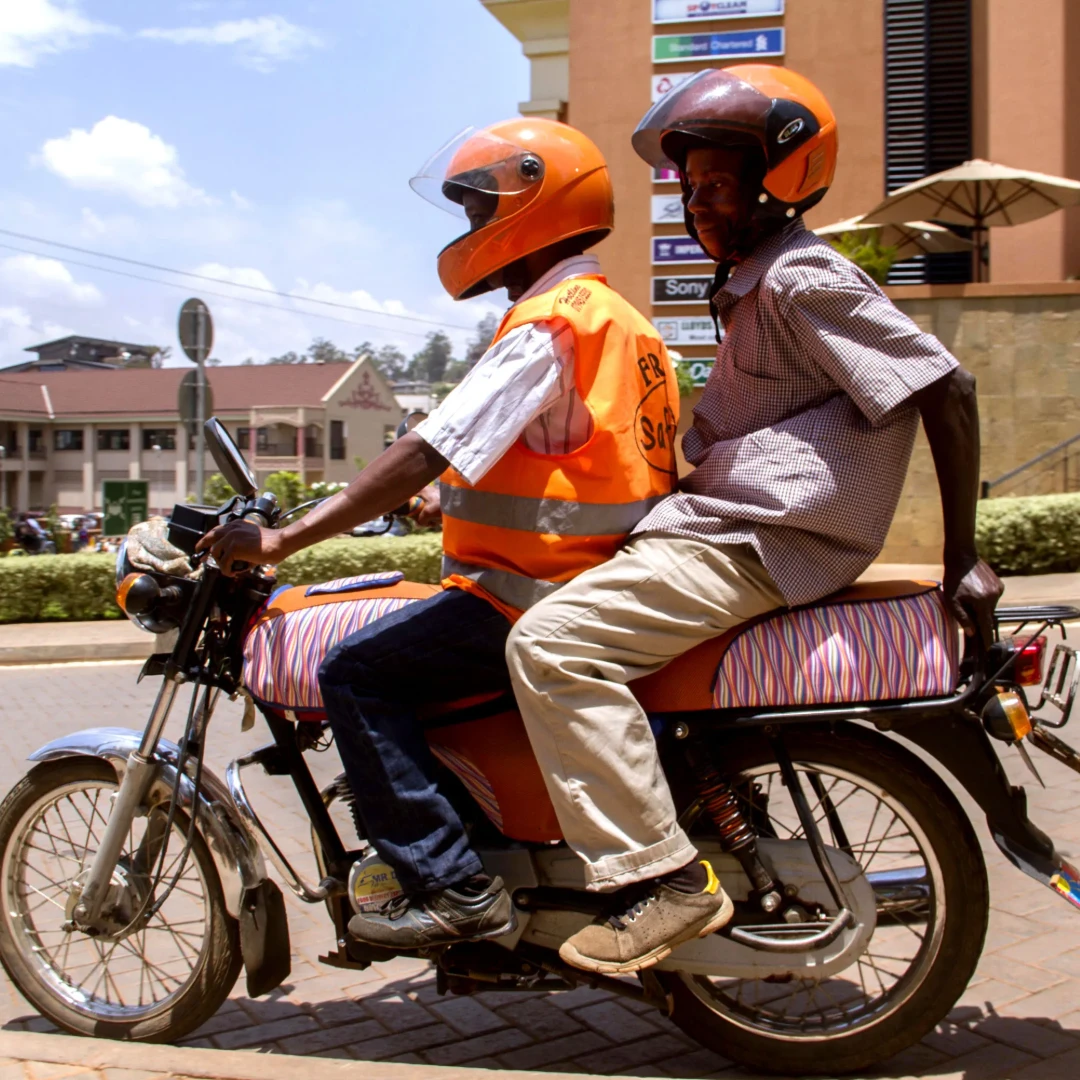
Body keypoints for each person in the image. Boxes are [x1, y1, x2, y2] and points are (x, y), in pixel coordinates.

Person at [505, 65, 1003, 976]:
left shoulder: (799, 277)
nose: (699, 205)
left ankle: (662, 880)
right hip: (733, 530)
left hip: (759, 543)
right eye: (689, 188)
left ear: (781, 183)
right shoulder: (753, 287)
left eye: (721, 185)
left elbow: (948, 385)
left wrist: (964, 558)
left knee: (553, 648)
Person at [198, 118, 681, 949]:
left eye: (479, 210)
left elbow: (425, 448)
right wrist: (447, 501)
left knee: (354, 672)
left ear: (536, 203)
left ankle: (452, 884)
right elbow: (569, 460)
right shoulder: (623, 323)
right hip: (596, 581)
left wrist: (284, 541)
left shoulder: (550, 323)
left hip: (530, 596)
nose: (471, 232)